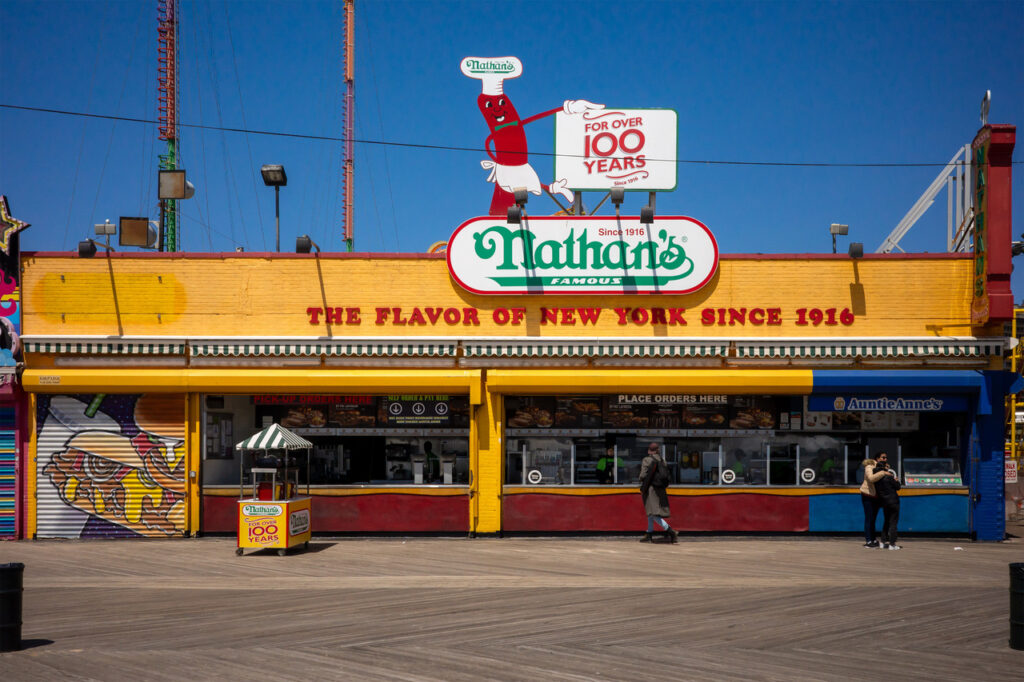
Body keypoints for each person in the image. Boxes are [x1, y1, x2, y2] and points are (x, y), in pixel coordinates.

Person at [639, 442, 678, 543]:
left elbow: (642, 475)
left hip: (650, 489)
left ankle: (670, 531)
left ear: (649, 450)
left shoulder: (647, 460)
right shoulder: (662, 460)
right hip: (660, 489)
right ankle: (649, 533)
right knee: (650, 511)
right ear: (657, 450)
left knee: (653, 513)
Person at [859, 455, 894, 548]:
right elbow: (871, 478)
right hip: (868, 495)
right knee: (869, 518)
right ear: (877, 459)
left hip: (876, 497)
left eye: (886, 458)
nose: (885, 459)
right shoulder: (869, 467)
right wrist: (883, 472)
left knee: (873, 519)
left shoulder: (883, 468)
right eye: (883, 457)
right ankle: (868, 541)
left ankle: (873, 539)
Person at [874, 454, 902, 549]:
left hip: (884, 502)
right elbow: (898, 487)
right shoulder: (889, 477)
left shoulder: (876, 478)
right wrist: (896, 481)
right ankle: (892, 544)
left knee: (886, 521)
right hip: (893, 501)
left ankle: (882, 542)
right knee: (893, 522)